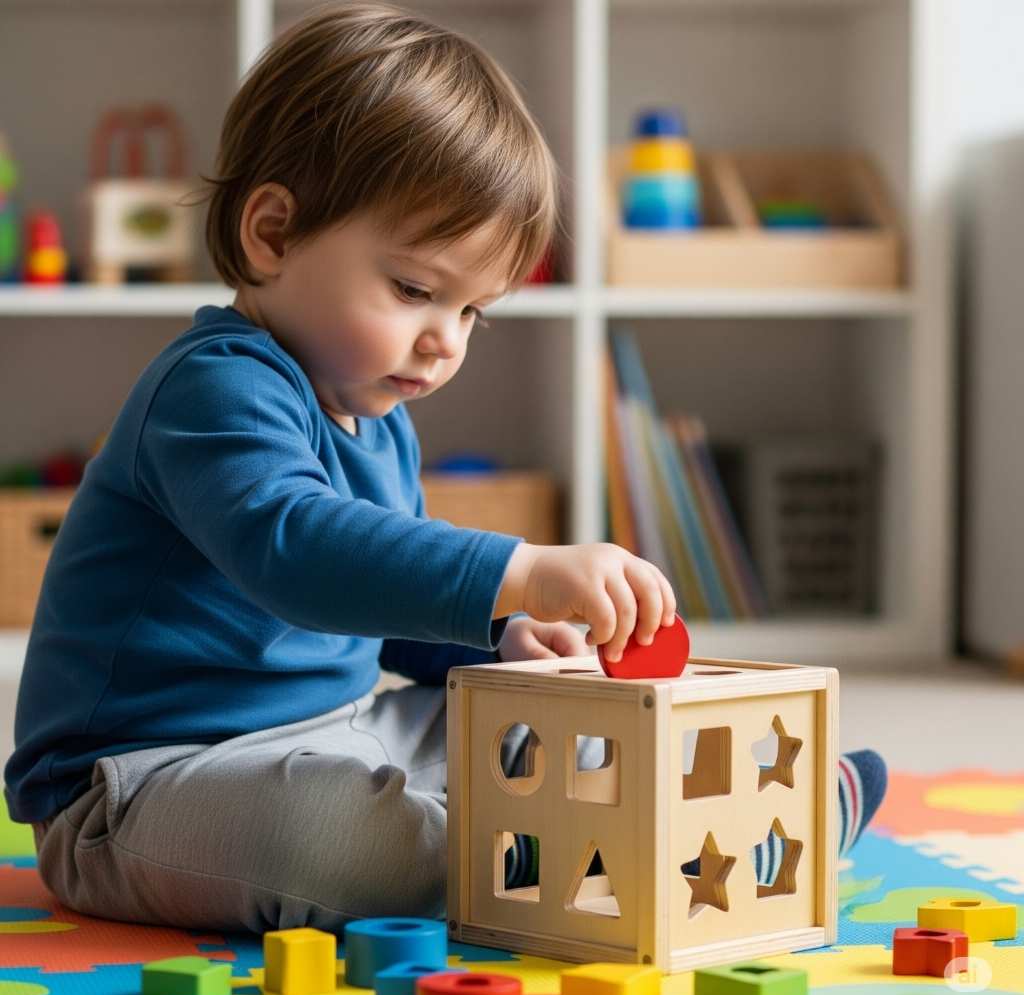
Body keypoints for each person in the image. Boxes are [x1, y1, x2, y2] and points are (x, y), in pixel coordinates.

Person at [3, 2, 884, 934]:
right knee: (343, 836)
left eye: (473, 312)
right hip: (136, 786)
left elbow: (392, 620)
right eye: (416, 290)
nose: (443, 343)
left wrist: (499, 640)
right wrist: (519, 571)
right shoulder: (213, 391)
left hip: (335, 733)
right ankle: (606, 857)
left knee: (538, 723)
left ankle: (721, 820)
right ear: (271, 234)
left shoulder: (378, 412)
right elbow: (299, 552)